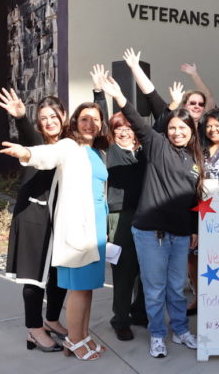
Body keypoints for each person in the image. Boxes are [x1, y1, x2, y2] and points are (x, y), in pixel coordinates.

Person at [98, 73, 203, 359]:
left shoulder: (194, 159)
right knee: (154, 289)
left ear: (192, 131)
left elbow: (194, 199)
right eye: (173, 127)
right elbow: (137, 121)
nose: (178, 132)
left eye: (183, 128)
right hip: (150, 233)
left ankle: (180, 330)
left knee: (177, 289)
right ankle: (158, 334)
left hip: (180, 234)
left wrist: (193, 228)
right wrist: (118, 95)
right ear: (166, 130)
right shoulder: (157, 146)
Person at [0, 102, 112, 361]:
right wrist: (25, 152)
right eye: (84, 119)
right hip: (76, 227)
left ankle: (82, 335)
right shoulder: (69, 146)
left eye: (95, 120)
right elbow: (46, 154)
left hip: (95, 227)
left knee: (87, 288)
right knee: (76, 287)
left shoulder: (96, 152)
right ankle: (73, 340)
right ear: (73, 122)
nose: (89, 124)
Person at [0, 89, 68, 353]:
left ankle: (50, 320)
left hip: (59, 218)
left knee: (60, 273)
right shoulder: (37, 142)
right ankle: (34, 329)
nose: (49, 121)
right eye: (44, 117)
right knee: (35, 277)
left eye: (54, 116)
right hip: (33, 216)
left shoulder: (69, 145)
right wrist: (22, 117)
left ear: (63, 117)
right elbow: (28, 141)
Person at [92, 66, 148, 342]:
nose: (124, 132)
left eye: (128, 127)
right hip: (120, 217)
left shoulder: (144, 151)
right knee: (124, 271)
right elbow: (100, 126)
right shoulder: (111, 150)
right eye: (119, 128)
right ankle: (121, 318)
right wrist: (99, 92)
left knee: (146, 268)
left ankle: (140, 312)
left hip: (146, 215)